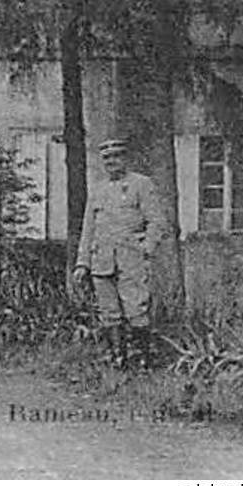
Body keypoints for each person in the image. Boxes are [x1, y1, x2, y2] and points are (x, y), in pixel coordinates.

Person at [74, 139, 164, 369]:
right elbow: (88, 229)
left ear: (126, 158)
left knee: (136, 308)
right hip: (101, 260)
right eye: (106, 158)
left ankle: (143, 359)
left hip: (130, 259)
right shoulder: (98, 190)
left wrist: (146, 248)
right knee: (109, 312)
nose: (111, 161)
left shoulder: (141, 185)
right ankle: (118, 358)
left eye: (116, 156)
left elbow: (157, 221)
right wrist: (82, 264)